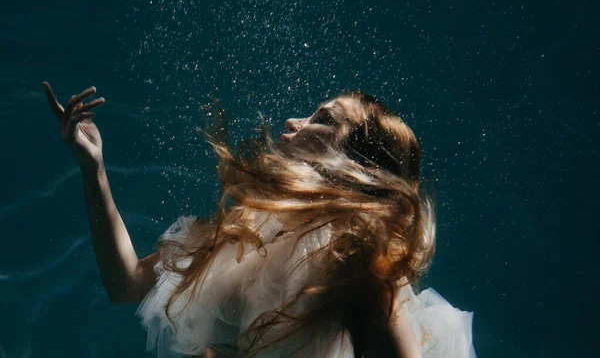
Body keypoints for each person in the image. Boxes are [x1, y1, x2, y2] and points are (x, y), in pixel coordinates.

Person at [43, 81, 476, 358]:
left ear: (356, 162)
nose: (293, 120)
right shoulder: (249, 228)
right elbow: (127, 284)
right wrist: (93, 170)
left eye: (323, 119)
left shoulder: (359, 254)